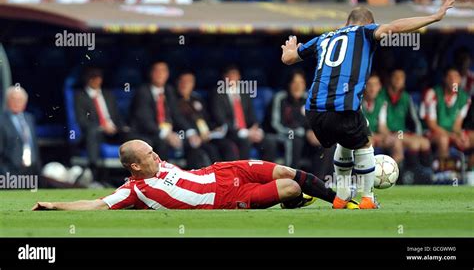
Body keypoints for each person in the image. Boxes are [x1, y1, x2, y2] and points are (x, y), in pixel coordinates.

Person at [281, 0, 455, 209]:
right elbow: (396, 27)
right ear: (368, 23)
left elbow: (288, 59)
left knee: (345, 142)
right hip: (342, 106)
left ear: (346, 23)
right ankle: (367, 199)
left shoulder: (323, 38)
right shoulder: (364, 32)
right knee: (364, 143)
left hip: (314, 111)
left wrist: (288, 49)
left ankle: (341, 197)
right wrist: (434, 17)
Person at [32, 139, 359, 210]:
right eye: (148, 154)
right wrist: (53, 205)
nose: (155, 155)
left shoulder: (158, 164)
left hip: (222, 171)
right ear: (134, 165)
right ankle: (294, 201)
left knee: (287, 170)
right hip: (226, 198)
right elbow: (95, 205)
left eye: (152, 149)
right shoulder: (134, 189)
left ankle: (341, 202)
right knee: (287, 187)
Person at [129, 61, 209, 168]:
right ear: (151, 73)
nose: (160, 74)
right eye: (157, 71)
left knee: (193, 144)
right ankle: (161, 178)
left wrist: (190, 132)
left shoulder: (169, 91)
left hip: (169, 132)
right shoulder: (143, 92)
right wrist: (165, 134)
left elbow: (177, 115)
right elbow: (144, 120)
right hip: (149, 133)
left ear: (167, 74)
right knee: (162, 144)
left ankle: (192, 178)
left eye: (163, 71)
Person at [210, 65, 277, 161]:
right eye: (229, 75)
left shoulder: (244, 94)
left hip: (247, 132)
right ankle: (243, 174)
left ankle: (266, 174)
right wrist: (244, 132)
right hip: (229, 133)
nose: (233, 78)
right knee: (244, 141)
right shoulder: (217, 94)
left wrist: (256, 129)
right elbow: (220, 119)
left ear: (239, 77)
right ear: (224, 77)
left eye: (235, 75)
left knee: (269, 142)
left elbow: (252, 116)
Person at [74, 68, 128, 178]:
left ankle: (134, 173)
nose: (97, 81)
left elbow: (117, 117)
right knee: (92, 133)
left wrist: (121, 127)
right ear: (88, 80)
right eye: (94, 78)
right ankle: (93, 172)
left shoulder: (108, 95)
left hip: (114, 131)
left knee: (132, 133)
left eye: (99, 78)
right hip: (95, 132)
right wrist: (102, 128)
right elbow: (82, 121)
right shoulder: (80, 97)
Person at [268, 70, 325, 174]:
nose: (298, 86)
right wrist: (302, 133)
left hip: (304, 137)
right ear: (289, 84)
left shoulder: (308, 99)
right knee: (294, 140)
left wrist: (314, 133)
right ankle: (291, 177)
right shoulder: (280, 98)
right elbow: (275, 124)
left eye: (301, 83)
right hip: (282, 135)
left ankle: (321, 181)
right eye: (294, 83)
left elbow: (315, 121)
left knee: (324, 142)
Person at [174, 70, 238, 161]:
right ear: (178, 83)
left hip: (207, 135)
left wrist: (215, 128)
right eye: (183, 81)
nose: (185, 84)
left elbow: (206, 118)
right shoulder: (174, 100)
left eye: (189, 82)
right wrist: (195, 134)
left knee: (227, 146)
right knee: (211, 150)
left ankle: (232, 174)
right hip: (189, 137)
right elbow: (178, 121)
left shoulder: (197, 98)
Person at [379, 69, 432, 175]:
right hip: (386, 134)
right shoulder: (381, 96)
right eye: (395, 77)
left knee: (424, 142)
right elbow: (381, 123)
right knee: (411, 143)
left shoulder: (406, 97)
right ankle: (400, 175)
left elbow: (415, 120)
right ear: (390, 79)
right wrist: (389, 134)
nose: (398, 80)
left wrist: (418, 135)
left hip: (401, 133)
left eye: (401, 77)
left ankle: (426, 174)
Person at [420, 67, 471, 170]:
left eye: (456, 77)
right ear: (444, 79)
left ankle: (469, 169)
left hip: (451, 132)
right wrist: (452, 136)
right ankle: (444, 172)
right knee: (444, 139)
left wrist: (459, 135)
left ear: (460, 80)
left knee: (469, 138)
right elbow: (432, 125)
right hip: (432, 133)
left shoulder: (464, 98)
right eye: (450, 77)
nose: (453, 80)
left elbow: (457, 125)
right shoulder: (433, 93)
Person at [362, 74, 403, 163]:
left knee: (397, 141)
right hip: (363, 137)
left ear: (379, 87)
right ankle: (365, 174)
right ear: (364, 86)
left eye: (375, 85)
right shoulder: (358, 103)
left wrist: (389, 136)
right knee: (368, 142)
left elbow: (382, 126)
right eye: (369, 85)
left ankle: (392, 172)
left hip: (376, 137)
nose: (372, 89)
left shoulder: (382, 102)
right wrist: (373, 136)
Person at [0, 86, 41, 176]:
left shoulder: (29, 118)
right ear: (8, 101)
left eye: (20, 99)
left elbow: (33, 145)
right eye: (14, 99)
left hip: (31, 169)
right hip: (10, 171)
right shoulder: (2, 121)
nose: (17, 102)